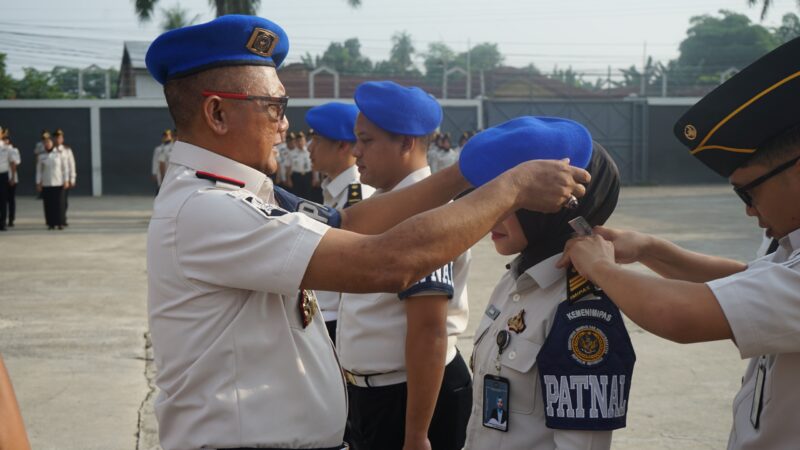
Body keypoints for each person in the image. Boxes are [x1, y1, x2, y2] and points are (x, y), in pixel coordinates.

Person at [145, 15, 588, 450]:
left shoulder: (240, 195)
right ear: (217, 112)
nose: (285, 125)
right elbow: (386, 262)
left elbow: (349, 224)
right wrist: (512, 188)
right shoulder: (207, 207)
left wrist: (464, 174)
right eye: (275, 107)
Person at [559, 37, 800, 450]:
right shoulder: (789, 245)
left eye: (749, 192)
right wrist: (651, 249)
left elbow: (678, 315)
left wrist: (601, 268)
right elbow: (748, 283)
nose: (748, 211)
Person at [461, 117, 631, 450]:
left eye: (515, 199)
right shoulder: (515, 281)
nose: (492, 211)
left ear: (557, 207)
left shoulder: (582, 310)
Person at [338, 81, 471, 450]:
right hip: (378, 395)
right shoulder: (384, 204)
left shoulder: (425, 216)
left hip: (411, 399)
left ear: (407, 143)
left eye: (367, 140)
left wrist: (416, 435)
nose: (355, 151)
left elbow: (429, 332)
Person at [305, 102, 376, 340]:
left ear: (342, 145)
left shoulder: (357, 196)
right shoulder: (335, 191)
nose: (308, 147)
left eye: (316, 140)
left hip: (340, 322)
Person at [35, 131, 67, 230]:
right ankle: (51, 223)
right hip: (47, 183)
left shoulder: (59, 154)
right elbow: (39, 171)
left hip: (58, 182)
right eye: (45, 143)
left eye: (49, 142)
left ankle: (60, 223)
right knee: (48, 204)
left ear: (52, 143)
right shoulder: (41, 156)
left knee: (59, 204)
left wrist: (66, 180)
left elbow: (65, 168)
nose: (47, 144)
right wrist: (38, 182)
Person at [53, 129, 76, 226]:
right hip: (54, 180)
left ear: (62, 139)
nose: (58, 140)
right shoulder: (50, 149)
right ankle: (55, 219)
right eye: (56, 138)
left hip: (64, 180)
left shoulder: (67, 150)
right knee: (54, 201)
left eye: (60, 138)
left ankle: (63, 218)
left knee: (63, 201)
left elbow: (72, 165)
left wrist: (72, 178)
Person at [3, 129, 20, 228]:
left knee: (10, 200)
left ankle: (11, 219)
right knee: (2, 200)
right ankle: (3, 219)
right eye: (3, 139)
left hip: (10, 178)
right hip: (2, 178)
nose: (5, 141)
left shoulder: (13, 150)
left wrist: (13, 178)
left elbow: (14, 164)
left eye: (6, 139)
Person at [290, 130, 313, 199]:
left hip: (307, 176)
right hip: (296, 176)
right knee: (296, 196)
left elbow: (313, 165)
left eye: (302, 140)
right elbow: (288, 167)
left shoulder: (309, 151)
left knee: (308, 195)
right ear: (296, 142)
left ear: (305, 141)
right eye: (298, 141)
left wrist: (315, 178)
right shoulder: (292, 153)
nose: (300, 143)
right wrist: (288, 179)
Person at [0, 128, 13, 232]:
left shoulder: (6, 147)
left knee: (3, 200)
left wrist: (12, 177)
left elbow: (12, 162)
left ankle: (2, 223)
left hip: (3, 175)